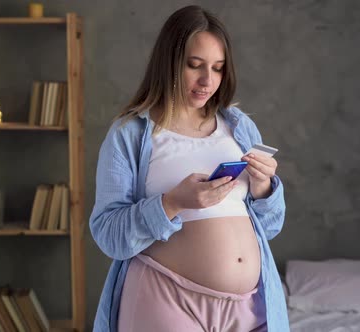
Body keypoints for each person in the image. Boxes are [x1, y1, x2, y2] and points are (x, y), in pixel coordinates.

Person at [90, 5, 289, 332]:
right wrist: (172, 203)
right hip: (165, 300)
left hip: (249, 306)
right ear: (168, 62)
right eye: (194, 65)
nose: (207, 80)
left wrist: (264, 189)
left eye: (217, 68)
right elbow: (109, 235)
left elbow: (268, 229)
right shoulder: (131, 133)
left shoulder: (239, 127)